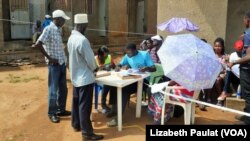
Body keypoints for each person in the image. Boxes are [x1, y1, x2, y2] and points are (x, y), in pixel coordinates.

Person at [67, 13, 104, 140]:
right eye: (86, 25)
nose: (87, 27)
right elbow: (90, 60)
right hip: (85, 78)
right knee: (85, 106)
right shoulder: (82, 40)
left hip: (75, 76)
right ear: (83, 25)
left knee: (76, 102)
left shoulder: (71, 38)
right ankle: (87, 133)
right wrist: (96, 68)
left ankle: (76, 124)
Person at [106, 43, 156, 127]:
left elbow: (154, 68)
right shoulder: (127, 56)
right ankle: (114, 110)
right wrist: (118, 66)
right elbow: (120, 63)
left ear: (135, 50)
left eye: (129, 53)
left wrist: (146, 68)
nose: (128, 55)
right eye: (127, 53)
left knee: (124, 89)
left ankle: (119, 118)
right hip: (132, 78)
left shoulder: (144, 54)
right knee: (114, 86)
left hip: (143, 81)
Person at [34, 9, 71, 123]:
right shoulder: (48, 29)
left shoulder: (58, 29)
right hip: (54, 65)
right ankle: (52, 113)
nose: (64, 21)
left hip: (61, 63)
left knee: (63, 89)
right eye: (63, 19)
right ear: (57, 19)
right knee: (53, 90)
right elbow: (38, 44)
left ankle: (61, 109)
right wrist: (49, 58)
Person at [227, 10, 250, 125]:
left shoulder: (249, 35)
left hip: (247, 70)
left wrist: (234, 62)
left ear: (248, 21)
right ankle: (246, 114)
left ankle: (248, 120)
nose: (243, 22)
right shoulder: (247, 34)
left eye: (244, 20)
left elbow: (249, 56)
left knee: (248, 95)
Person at [216, 39, 242, 106]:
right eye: (237, 50)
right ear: (235, 48)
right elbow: (228, 67)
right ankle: (224, 92)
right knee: (228, 72)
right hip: (235, 77)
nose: (239, 51)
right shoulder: (233, 55)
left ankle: (225, 94)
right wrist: (228, 62)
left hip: (244, 79)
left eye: (240, 50)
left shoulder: (247, 55)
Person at [95, 46, 115, 113]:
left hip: (108, 77)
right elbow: (93, 71)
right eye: (104, 56)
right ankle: (103, 104)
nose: (106, 57)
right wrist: (99, 68)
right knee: (106, 85)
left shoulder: (109, 57)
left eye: (106, 55)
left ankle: (112, 102)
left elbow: (114, 66)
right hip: (98, 79)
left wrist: (113, 66)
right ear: (99, 55)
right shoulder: (95, 59)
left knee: (114, 84)